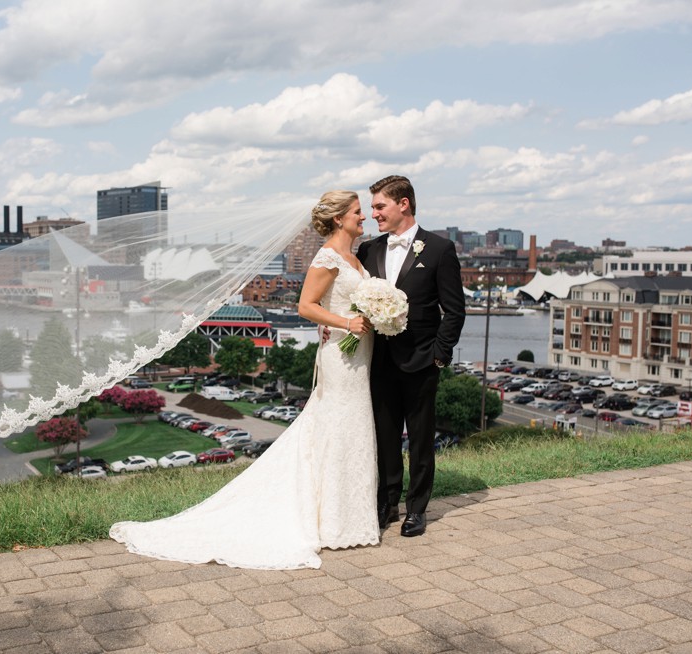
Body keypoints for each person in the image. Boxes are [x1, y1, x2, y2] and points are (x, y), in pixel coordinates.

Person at [110, 191, 379, 569]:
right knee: (338, 424)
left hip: (359, 353)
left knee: (350, 427)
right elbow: (306, 306)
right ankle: (330, 522)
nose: (362, 217)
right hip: (341, 356)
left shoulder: (355, 255)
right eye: (356, 212)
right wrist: (346, 323)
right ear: (338, 219)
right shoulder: (328, 257)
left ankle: (347, 518)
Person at [356, 175, 465, 538]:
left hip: (422, 361)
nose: (373, 214)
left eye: (379, 206)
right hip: (380, 362)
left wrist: (440, 354)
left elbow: (455, 309)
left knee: (420, 439)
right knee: (385, 436)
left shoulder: (439, 249)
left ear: (404, 204)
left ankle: (417, 509)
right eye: (372, 208)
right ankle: (386, 504)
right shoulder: (369, 250)